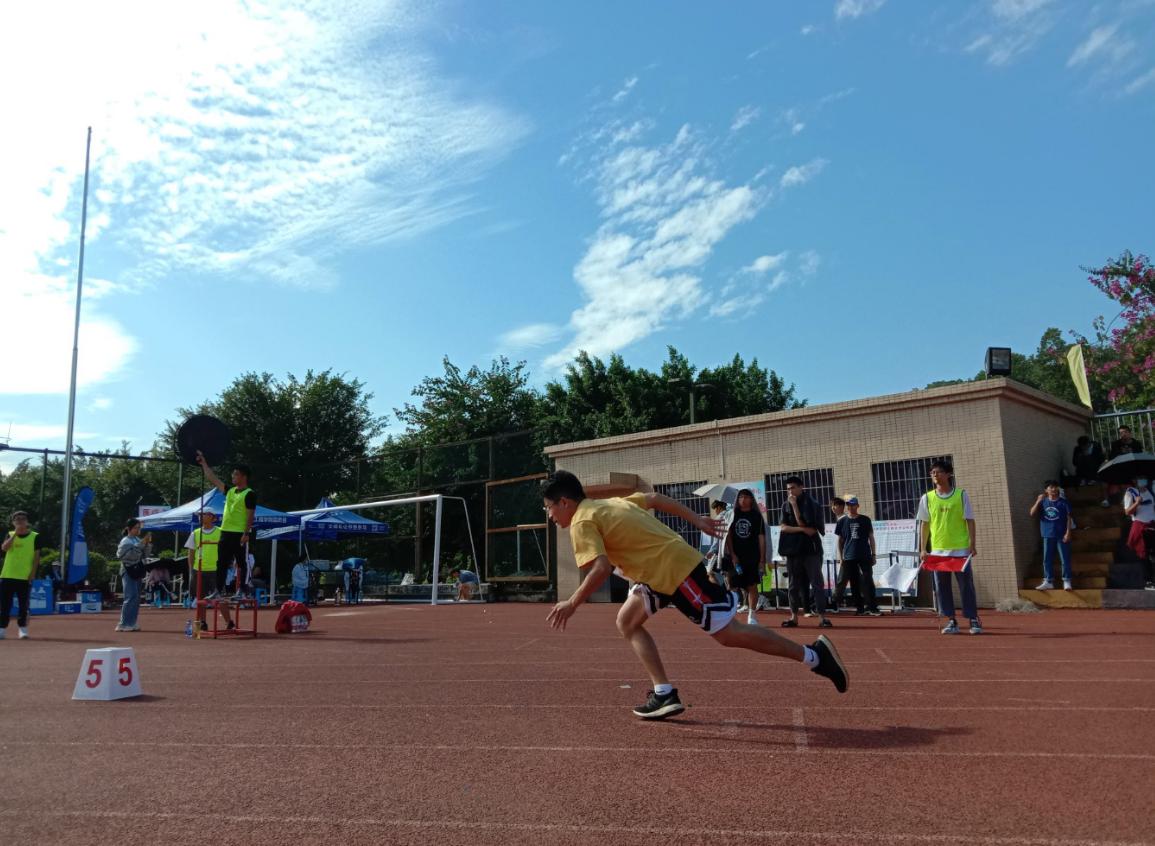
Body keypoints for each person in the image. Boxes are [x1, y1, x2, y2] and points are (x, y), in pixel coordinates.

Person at [542, 471, 847, 720]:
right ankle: (663, 693)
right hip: (658, 574)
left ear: (564, 502)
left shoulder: (581, 522)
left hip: (675, 573)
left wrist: (572, 602)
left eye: (549, 507)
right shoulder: (609, 504)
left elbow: (600, 568)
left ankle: (814, 656)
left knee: (729, 634)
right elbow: (654, 498)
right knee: (627, 621)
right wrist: (696, 520)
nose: (549, 514)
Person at [917, 459, 981, 635]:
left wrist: (972, 544)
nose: (935, 475)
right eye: (932, 473)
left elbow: (970, 520)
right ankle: (951, 620)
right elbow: (924, 524)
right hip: (938, 551)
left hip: (960, 550)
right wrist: (923, 549)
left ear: (948, 474)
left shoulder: (961, 495)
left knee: (966, 586)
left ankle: (973, 619)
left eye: (938, 472)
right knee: (941, 588)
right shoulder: (927, 498)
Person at [197, 453, 256, 599]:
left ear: (244, 477)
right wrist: (204, 463)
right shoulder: (230, 491)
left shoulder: (249, 494)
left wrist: (246, 533)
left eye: (236, 474)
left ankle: (243, 590)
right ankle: (218, 590)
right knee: (221, 563)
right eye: (233, 474)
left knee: (242, 563)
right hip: (225, 532)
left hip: (240, 533)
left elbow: (250, 515)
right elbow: (213, 478)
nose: (233, 476)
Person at [778, 476, 830, 629]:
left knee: (817, 583)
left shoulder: (811, 504)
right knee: (793, 585)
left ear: (801, 487)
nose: (790, 491)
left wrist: (795, 506)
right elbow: (783, 527)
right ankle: (793, 617)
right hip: (793, 550)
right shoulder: (785, 505)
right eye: (788, 489)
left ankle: (822, 617)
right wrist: (801, 530)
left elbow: (808, 526)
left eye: (793, 488)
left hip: (811, 550)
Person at [184, 510, 233, 631]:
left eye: (203, 514)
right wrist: (191, 570)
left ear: (212, 517)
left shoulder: (220, 532)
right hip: (199, 570)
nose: (201, 517)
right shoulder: (196, 533)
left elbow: (227, 550)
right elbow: (191, 553)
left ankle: (229, 622)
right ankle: (203, 622)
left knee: (220, 597)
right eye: (200, 515)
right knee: (200, 598)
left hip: (216, 570)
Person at [723, 488, 766, 625]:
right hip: (735, 556)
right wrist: (733, 554)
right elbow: (728, 536)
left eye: (746, 497)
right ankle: (729, 614)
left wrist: (762, 560)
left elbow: (761, 538)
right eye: (741, 497)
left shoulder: (757, 516)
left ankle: (752, 615)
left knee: (752, 585)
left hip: (752, 556)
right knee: (732, 585)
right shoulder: (732, 515)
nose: (743, 500)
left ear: (751, 499)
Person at [0, 511, 44, 640]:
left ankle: (23, 629)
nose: (20, 521)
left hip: (24, 577)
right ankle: (2, 629)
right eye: (17, 519)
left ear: (27, 521)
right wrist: (15, 534)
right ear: (13, 522)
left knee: (23, 605)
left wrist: (32, 574)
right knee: (4, 605)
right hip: (7, 575)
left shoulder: (35, 537)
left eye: (23, 519)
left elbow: (36, 557)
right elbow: (4, 548)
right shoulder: (10, 534)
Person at [837, 497, 881, 615]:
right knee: (854, 582)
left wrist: (874, 554)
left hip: (865, 554)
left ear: (857, 506)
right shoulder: (842, 521)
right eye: (848, 505)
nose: (850, 507)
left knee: (868, 580)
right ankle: (859, 608)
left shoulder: (865, 519)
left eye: (853, 505)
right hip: (849, 556)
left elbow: (871, 538)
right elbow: (840, 541)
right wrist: (841, 557)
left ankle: (872, 607)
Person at [1030, 480, 1074, 591]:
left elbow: (1069, 518)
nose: (1054, 489)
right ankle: (1048, 581)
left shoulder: (1064, 502)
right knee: (1047, 559)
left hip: (1061, 534)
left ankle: (1067, 580)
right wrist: (1038, 501)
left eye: (1055, 487)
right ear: (1046, 490)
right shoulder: (1043, 502)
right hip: (1047, 534)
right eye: (1051, 487)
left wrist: (1068, 532)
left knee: (1064, 558)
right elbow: (1032, 513)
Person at [1122, 476, 1155, 590]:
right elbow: (1127, 511)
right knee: (1145, 555)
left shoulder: (1151, 490)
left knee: (1152, 554)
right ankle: (1149, 582)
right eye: (1140, 478)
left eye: (1144, 478)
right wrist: (1136, 503)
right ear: (1134, 480)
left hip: (1152, 525)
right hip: (1140, 526)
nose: (1142, 480)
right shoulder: (1130, 492)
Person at [115, 518, 146, 632]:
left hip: (137, 570)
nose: (138, 530)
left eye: (139, 528)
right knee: (130, 596)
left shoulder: (137, 539)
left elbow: (144, 555)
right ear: (129, 529)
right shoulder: (125, 541)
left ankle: (132, 622)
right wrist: (139, 546)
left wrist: (146, 545)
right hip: (128, 570)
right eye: (136, 528)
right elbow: (124, 556)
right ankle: (123, 623)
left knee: (136, 597)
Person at [828, 497, 856, 612]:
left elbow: (843, 540)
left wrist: (841, 556)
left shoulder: (844, 520)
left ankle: (834, 602)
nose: (833, 508)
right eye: (832, 506)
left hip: (847, 555)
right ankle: (866, 602)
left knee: (842, 580)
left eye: (835, 505)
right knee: (855, 579)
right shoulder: (841, 520)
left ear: (842, 507)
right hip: (847, 555)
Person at [701, 500, 729, 589]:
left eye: (715, 509)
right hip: (730, 550)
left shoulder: (719, 518)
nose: (715, 512)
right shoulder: (731, 516)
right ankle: (731, 593)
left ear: (719, 508)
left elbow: (717, 539)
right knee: (727, 573)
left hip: (719, 551)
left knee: (710, 572)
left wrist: (711, 551)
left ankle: (719, 592)